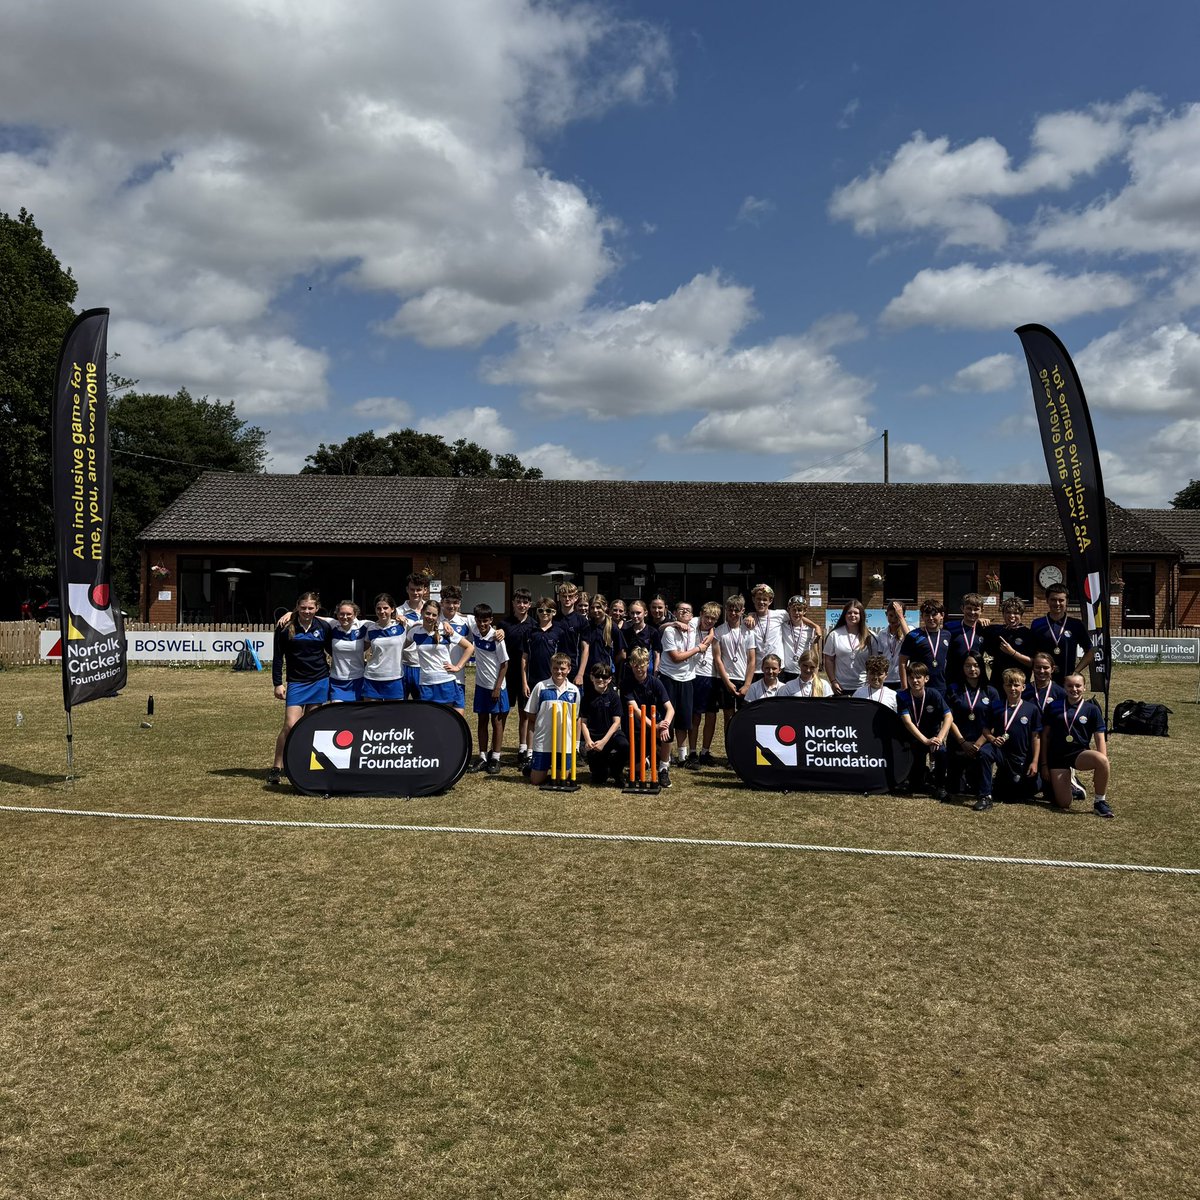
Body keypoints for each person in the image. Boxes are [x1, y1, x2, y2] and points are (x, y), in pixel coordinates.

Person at [269, 591, 332, 783]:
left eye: (310, 608)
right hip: (296, 683)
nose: (307, 611)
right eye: (303, 608)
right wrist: (277, 683)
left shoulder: (323, 626)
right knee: (290, 725)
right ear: (297, 607)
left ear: (317, 609)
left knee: (311, 726)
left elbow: (332, 650)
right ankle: (276, 767)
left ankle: (305, 764)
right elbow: (278, 657)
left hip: (320, 681)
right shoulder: (285, 627)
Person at [1041, 673, 1113, 817]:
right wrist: (1044, 765)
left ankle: (1100, 802)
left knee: (1102, 760)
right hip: (1057, 756)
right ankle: (1074, 786)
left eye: (1078, 686)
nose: (1074, 689)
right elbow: (1045, 736)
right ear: (1064, 688)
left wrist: (1102, 763)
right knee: (1064, 804)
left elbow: (1099, 737)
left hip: (1078, 753)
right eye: (1070, 686)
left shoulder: (1091, 709)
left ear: (1084, 688)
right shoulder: (1053, 706)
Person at [947, 653, 1002, 811]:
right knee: (955, 788)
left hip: (982, 743)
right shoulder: (954, 689)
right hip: (960, 741)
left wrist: (978, 744)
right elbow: (948, 719)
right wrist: (962, 742)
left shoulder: (991, 691)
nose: (972, 669)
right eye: (968, 665)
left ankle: (985, 797)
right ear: (962, 668)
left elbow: (995, 722)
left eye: (976, 665)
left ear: (982, 667)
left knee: (984, 754)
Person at [660, 600, 711, 769]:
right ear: (674, 612)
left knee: (684, 719)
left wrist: (707, 640)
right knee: (669, 719)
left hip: (688, 678)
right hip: (669, 677)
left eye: (688, 610)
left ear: (692, 615)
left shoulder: (695, 625)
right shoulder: (669, 630)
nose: (684, 612)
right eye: (680, 610)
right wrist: (698, 648)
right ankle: (665, 758)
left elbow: (711, 628)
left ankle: (682, 757)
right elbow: (676, 657)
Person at [894, 661, 952, 798]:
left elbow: (948, 717)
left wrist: (939, 738)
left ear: (926, 678)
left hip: (933, 737)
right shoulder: (902, 696)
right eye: (911, 677)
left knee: (942, 752)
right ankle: (920, 777)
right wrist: (925, 741)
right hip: (915, 739)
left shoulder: (934, 694)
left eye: (918, 677)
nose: (914, 681)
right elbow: (907, 722)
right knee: (915, 786)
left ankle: (940, 786)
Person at [525, 652, 583, 786]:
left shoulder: (574, 691)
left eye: (562, 669)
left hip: (565, 741)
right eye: (556, 668)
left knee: (560, 779)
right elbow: (531, 713)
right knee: (536, 781)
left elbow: (576, 717)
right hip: (544, 740)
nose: (559, 672)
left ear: (569, 669)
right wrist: (543, 723)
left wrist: (576, 743)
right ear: (551, 668)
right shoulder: (541, 686)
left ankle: (551, 768)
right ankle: (533, 768)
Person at [620, 646, 675, 788]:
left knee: (667, 732)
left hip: (653, 726)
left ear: (648, 664)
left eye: (642, 665)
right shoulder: (626, 683)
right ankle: (648, 759)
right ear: (631, 665)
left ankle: (663, 768)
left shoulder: (655, 682)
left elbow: (670, 708)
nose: (639, 669)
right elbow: (636, 710)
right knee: (637, 769)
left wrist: (664, 724)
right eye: (636, 665)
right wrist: (654, 725)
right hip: (636, 729)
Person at [466, 603, 509, 776]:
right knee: (481, 721)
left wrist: (497, 687)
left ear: (491, 620)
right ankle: (483, 757)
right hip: (481, 686)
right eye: (479, 621)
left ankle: (495, 758)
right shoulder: (474, 631)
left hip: (496, 687)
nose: (482, 624)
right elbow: (458, 615)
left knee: (496, 722)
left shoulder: (497, 638)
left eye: (485, 621)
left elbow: (504, 664)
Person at [404, 599, 473, 704]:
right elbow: (401, 646)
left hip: (445, 682)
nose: (430, 617)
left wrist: (458, 667)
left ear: (438, 616)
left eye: (434, 615)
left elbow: (470, 647)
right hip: (425, 683)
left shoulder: (445, 631)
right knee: (428, 718)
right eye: (427, 613)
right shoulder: (415, 632)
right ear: (422, 612)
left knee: (446, 717)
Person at [990, 668, 1043, 805]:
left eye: (1016, 685)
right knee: (1002, 794)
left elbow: (1036, 736)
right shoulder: (996, 706)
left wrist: (1035, 761)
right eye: (1008, 685)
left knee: (1023, 793)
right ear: (1003, 686)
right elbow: (986, 729)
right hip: (1002, 753)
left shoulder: (1032, 709)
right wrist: (992, 738)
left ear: (1023, 687)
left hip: (1022, 756)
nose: (1012, 688)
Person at [1030, 583, 1094, 684]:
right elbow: (1032, 653)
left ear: (1067, 601)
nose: (1057, 603)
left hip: (1067, 680)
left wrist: (1076, 672)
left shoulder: (1075, 624)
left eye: (1061, 600)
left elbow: (1090, 651)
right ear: (1047, 600)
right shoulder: (1037, 624)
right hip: (1043, 680)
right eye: (1053, 599)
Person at [500, 588, 535, 767]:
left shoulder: (533, 625)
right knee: (503, 713)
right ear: (513, 603)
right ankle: (496, 750)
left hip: (525, 677)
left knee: (525, 714)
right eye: (518, 602)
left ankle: (523, 749)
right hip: (506, 675)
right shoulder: (504, 624)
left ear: (529, 604)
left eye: (525, 602)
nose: (522, 605)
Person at [713, 595, 756, 737]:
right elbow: (718, 659)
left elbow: (751, 660)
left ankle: (741, 748)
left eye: (736, 610)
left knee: (744, 716)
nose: (733, 613)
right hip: (726, 680)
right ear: (726, 609)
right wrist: (727, 682)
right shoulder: (719, 631)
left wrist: (747, 685)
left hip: (743, 679)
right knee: (728, 717)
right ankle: (729, 751)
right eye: (730, 609)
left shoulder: (749, 631)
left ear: (742, 610)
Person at [580, 663, 628, 787]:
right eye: (597, 676)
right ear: (591, 677)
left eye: (605, 677)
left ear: (610, 679)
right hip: (594, 738)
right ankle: (603, 767)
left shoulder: (613, 697)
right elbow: (583, 722)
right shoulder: (587, 698)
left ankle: (617, 771)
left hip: (611, 736)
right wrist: (588, 740)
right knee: (599, 779)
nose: (601, 679)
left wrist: (604, 741)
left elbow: (617, 722)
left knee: (624, 745)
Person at [688, 601, 724, 765]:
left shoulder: (716, 633)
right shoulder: (692, 625)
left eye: (713, 619)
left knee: (711, 716)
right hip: (695, 675)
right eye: (707, 617)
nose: (709, 621)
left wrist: (711, 632)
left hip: (712, 676)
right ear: (701, 614)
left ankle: (705, 751)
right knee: (695, 716)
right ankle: (692, 752)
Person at [362, 592, 409, 701]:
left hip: (394, 677)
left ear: (392, 609)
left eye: (385, 608)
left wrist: (445, 622)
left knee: (393, 715)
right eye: (379, 608)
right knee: (371, 714)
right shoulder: (371, 628)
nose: (382, 611)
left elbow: (426, 622)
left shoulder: (402, 625)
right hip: (372, 677)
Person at [899, 598, 950, 693]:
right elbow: (902, 662)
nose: (930, 618)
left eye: (934, 614)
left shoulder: (947, 635)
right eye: (927, 615)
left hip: (941, 686)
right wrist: (904, 687)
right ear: (922, 617)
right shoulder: (913, 636)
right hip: (917, 688)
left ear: (942, 615)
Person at [823, 598, 872, 695]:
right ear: (844, 615)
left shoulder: (870, 637)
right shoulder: (834, 635)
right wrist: (833, 681)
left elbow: (874, 662)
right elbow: (829, 660)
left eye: (856, 613)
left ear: (861, 615)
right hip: (841, 687)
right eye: (849, 613)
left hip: (863, 686)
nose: (852, 615)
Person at [984, 597, 1034, 690]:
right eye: (1008, 612)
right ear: (1003, 614)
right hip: (998, 683)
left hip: (1018, 685)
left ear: (1021, 615)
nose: (1012, 616)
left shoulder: (1028, 634)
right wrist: (979, 620)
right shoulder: (996, 631)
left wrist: (1012, 652)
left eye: (1016, 613)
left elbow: (1031, 663)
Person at [946, 593, 990, 689]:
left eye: (976, 609)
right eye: (969, 608)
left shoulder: (984, 630)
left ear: (982, 610)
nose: (972, 612)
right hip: (954, 677)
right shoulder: (950, 627)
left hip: (976, 676)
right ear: (962, 608)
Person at [328, 599, 367, 702]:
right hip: (337, 680)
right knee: (338, 714)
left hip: (358, 680)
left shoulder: (364, 625)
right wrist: (292, 613)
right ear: (337, 614)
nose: (345, 617)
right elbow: (312, 616)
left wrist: (396, 617)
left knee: (355, 716)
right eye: (341, 614)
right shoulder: (332, 625)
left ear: (355, 614)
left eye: (348, 614)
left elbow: (383, 623)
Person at [779, 595, 825, 681]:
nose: (796, 613)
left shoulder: (810, 630)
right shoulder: (783, 626)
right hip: (785, 672)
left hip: (803, 671)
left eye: (800, 610)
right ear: (789, 610)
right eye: (794, 610)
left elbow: (815, 653)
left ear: (805, 611)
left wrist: (816, 673)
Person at [399, 573, 429, 700]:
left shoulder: (432, 610)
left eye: (419, 589)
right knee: (400, 707)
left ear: (425, 590)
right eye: (412, 589)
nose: (415, 593)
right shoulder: (398, 612)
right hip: (403, 665)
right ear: (407, 589)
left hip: (425, 666)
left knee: (423, 707)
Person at [870, 599, 910, 689]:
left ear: (903, 617)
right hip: (886, 678)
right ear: (886, 614)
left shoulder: (908, 630)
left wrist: (901, 617)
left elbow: (909, 639)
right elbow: (880, 655)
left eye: (897, 617)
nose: (893, 619)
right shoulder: (882, 633)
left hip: (902, 678)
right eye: (890, 615)